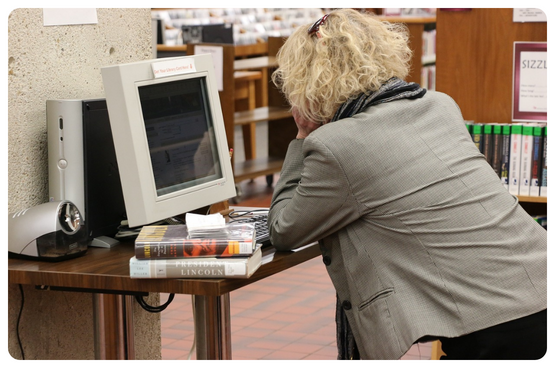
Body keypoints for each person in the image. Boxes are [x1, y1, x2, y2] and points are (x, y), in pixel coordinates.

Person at [267, 9, 547, 360]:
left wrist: (301, 136)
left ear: (305, 79)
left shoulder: (336, 144)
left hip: (496, 327)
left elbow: (283, 230)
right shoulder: (438, 104)